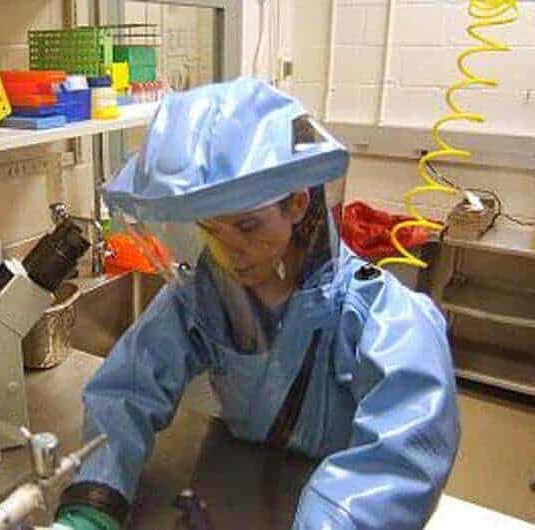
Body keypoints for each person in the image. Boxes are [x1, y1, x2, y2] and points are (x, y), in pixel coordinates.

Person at [53, 78, 460, 530]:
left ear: (298, 203)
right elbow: (125, 392)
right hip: (243, 483)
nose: (230, 254)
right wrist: (94, 500)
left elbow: (398, 460)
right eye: (211, 231)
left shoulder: (386, 318)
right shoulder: (205, 297)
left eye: (247, 227)